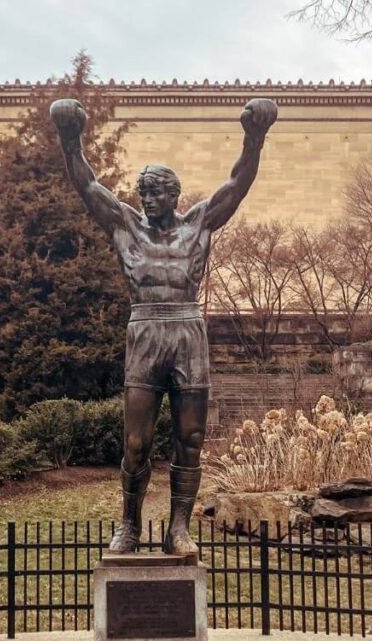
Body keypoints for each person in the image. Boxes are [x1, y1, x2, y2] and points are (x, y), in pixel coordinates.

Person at [51, 96, 278, 556]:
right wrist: (70, 140)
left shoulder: (199, 224)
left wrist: (254, 138)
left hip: (188, 331)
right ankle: (129, 525)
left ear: (175, 195)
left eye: (155, 192)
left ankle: (178, 529)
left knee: (190, 439)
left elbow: (238, 183)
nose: (147, 199)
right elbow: (88, 185)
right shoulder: (126, 226)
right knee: (136, 442)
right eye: (143, 192)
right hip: (145, 330)